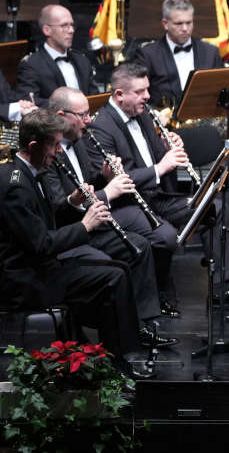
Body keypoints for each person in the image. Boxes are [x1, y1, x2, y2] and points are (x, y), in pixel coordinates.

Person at [0, 108, 142, 361]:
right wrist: (85, 226)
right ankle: (120, 360)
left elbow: (47, 221)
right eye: (54, 145)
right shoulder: (16, 186)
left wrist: (73, 204)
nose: (58, 151)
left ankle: (107, 353)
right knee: (113, 278)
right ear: (33, 146)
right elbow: (42, 243)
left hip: (40, 268)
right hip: (24, 281)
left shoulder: (31, 171)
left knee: (118, 268)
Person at [40, 87, 175, 344]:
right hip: (72, 229)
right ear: (61, 115)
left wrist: (103, 177)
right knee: (111, 263)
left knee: (140, 245)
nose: (89, 119)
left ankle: (143, 324)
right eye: (83, 114)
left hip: (91, 220)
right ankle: (111, 338)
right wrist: (107, 192)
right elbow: (60, 207)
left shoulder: (78, 141)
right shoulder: (51, 151)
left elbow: (85, 186)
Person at [84, 62, 194, 316]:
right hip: (129, 202)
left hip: (157, 196)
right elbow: (121, 178)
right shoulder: (100, 127)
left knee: (212, 210)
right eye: (140, 91)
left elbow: (156, 156)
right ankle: (159, 297)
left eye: (148, 89)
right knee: (165, 237)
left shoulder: (143, 114)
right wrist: (161, 168)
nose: (147, 96)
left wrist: (168, 147)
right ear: (119, 95)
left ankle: (226, 289)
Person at [133, 0, 223, 110]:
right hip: (165, 125)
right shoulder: (147, 55)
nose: (185, 28)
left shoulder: (211, 52)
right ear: (165, 24)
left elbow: (222, 92)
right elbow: (137, 96)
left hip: (205, 122)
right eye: (179, 23)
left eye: (189, 22)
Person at [17, 4, 97, 105]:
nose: (71, 30)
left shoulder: (82, 60)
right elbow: (29, 103)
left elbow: (95, 97)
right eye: (64, 26)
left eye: (72, 25)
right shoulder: (31, 65)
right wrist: (67, 109)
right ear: (47, 30)